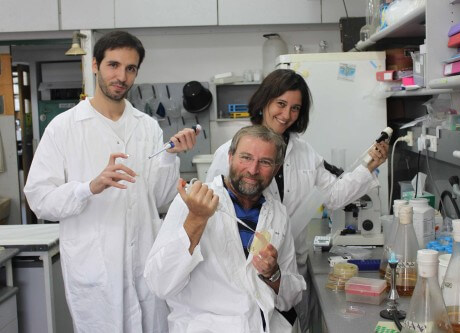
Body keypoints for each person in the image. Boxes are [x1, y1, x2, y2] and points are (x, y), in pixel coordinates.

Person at [24, 31, 198, 333]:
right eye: (113, 65)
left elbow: (159, 199)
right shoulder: (64, 128)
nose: (121, 76)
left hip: (145, 267)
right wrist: (87, 188)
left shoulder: (146, 127)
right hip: (96, 275)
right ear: (95, 65)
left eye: (130, 68)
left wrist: (171, 157)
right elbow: (39, 200)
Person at [205, 69, 389, 330]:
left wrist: (370, 166)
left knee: (290, 323)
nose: (286, 114)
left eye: (295, 108)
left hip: (291, 267)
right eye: (281, 104)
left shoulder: (304, 152)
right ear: (265, 101)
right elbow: (212, 209)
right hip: (245, 269)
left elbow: (334, 195)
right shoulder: (232, 151)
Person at [144, 125, 306, 333]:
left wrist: (273, 274)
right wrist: (196, 219)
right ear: (230, 157)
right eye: (245, 157)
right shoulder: (192, 200)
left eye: (265, 162)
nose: (253, 169)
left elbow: (290, 298)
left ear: (275, 169)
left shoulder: (278, 214)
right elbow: (160, 284)